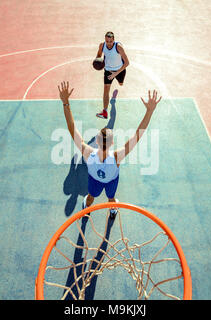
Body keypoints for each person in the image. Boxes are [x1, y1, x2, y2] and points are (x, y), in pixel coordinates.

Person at [58, 81, 162, 218]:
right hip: (112, 180)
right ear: (112, 143)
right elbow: (137, 135)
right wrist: (149, 111)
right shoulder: (117, 157)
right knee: (111, 198)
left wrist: (65, 103)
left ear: (96, 141)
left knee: (91, 196)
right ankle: (112, 209)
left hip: (94, 180)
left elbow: (72, 129)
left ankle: (87, 208)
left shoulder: (89, 154)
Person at [95, 31, 130, 120]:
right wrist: (98, 61)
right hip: (108, 70)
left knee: (121, 84)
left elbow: (127, 62)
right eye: (107, 41)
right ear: (105, 40)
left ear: (113, 40)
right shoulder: (102, 46)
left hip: (120, 70)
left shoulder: (118, 47)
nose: (109, 43)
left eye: (110, 41)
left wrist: (115, 74)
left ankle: (113, 99)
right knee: (106, 90)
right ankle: (105, 112)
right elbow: (99, 55)